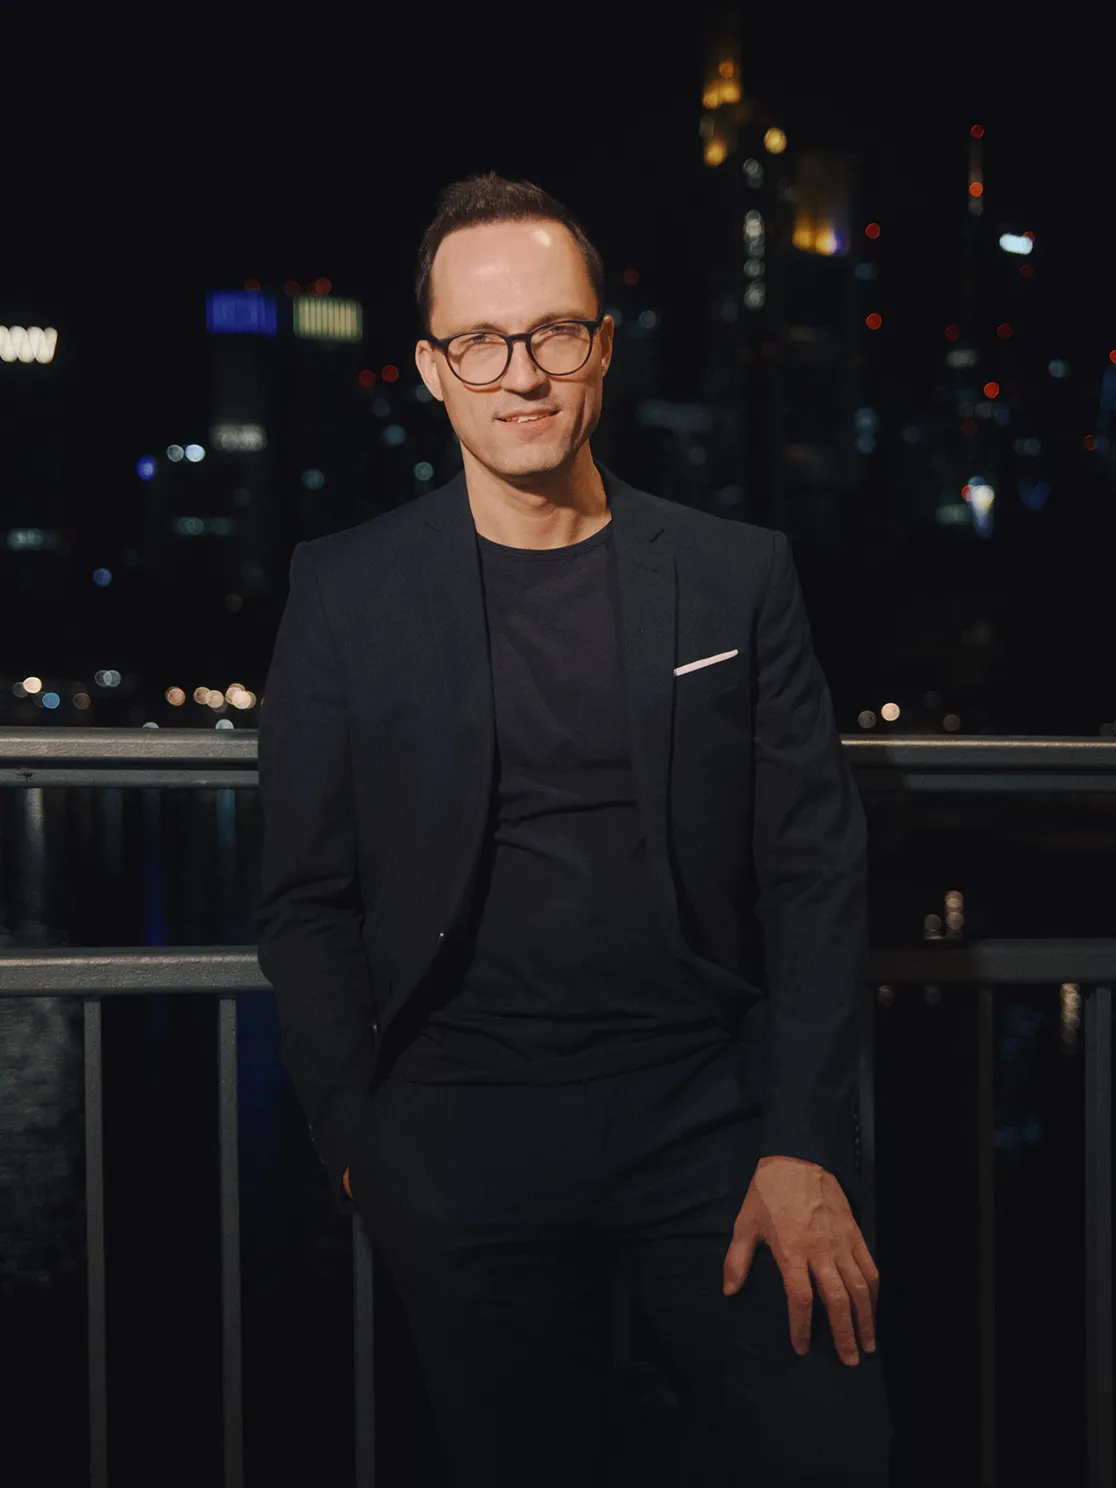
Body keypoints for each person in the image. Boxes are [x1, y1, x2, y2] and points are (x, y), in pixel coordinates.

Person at [254, 171, 894, 1486]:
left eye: (552, 332)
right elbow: (305, 894)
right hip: (457, 1130)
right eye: (481, 342)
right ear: (431, 371)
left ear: (602, 345)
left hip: (710, 1119)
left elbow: (812, 873)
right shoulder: (346, 589)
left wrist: (802, 1141)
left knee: (828, 1451)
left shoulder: (735, 574)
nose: (522, 374)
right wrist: (357, 1140)